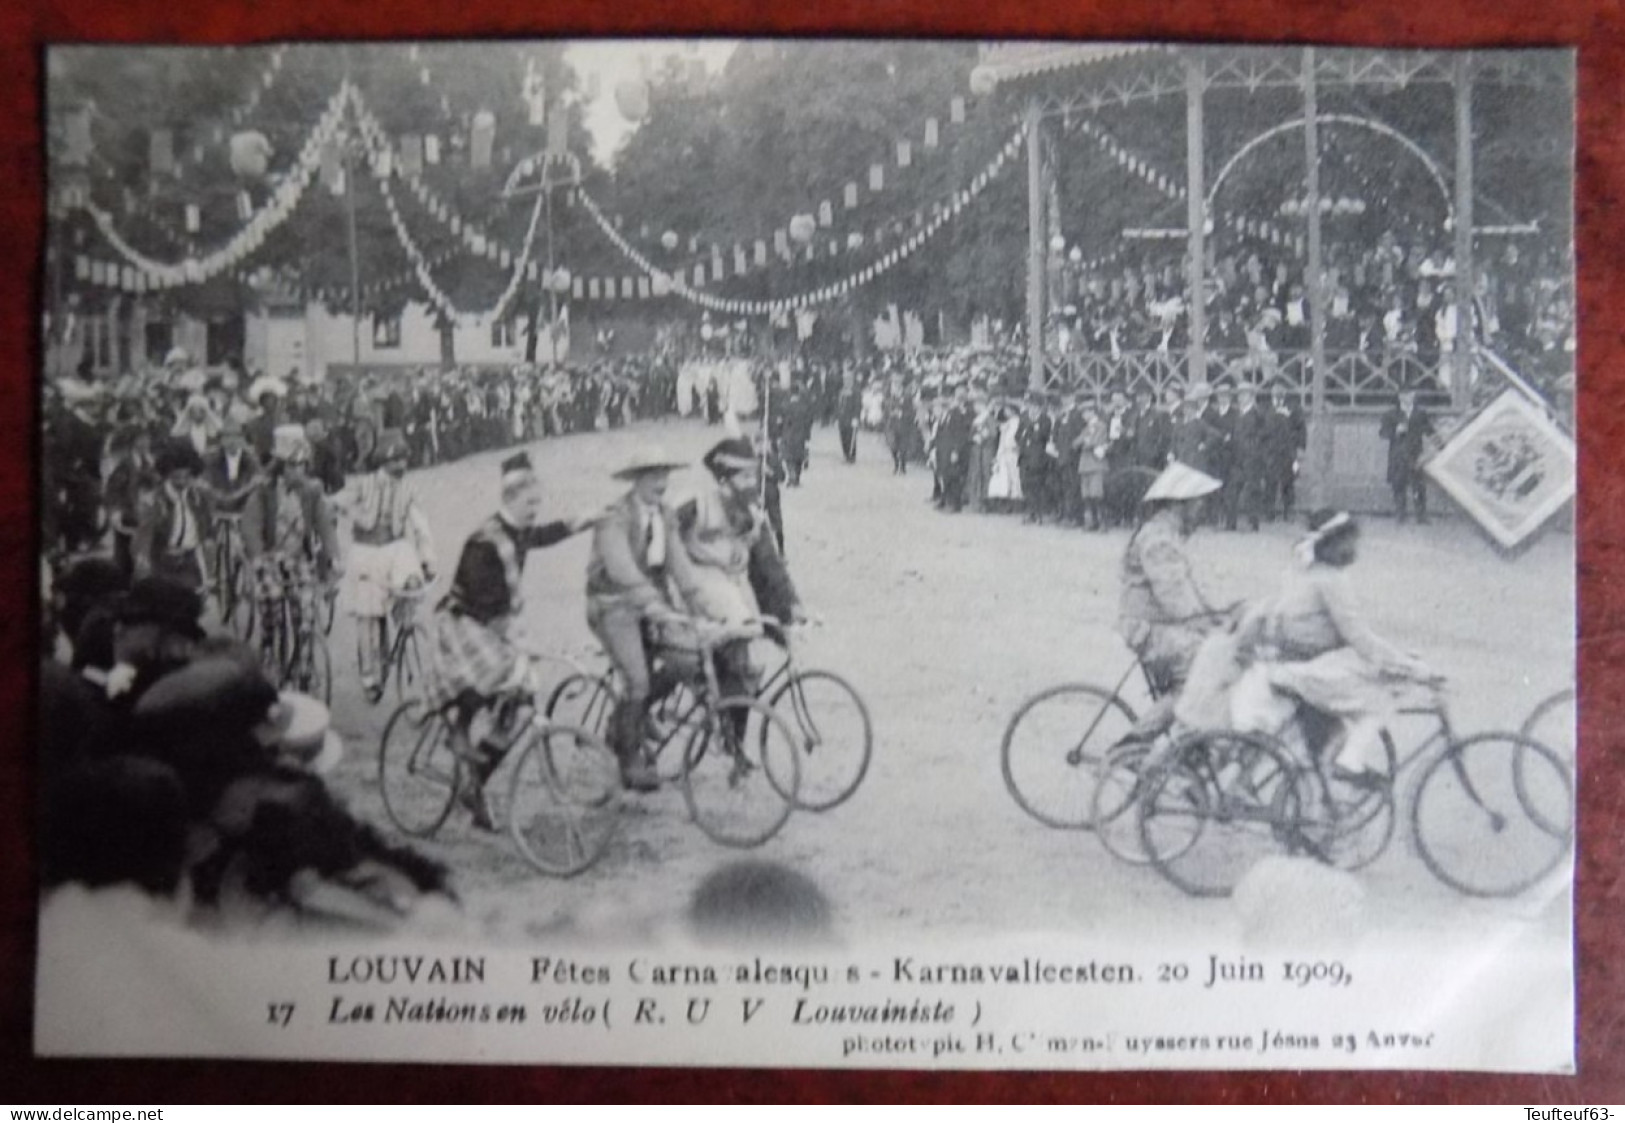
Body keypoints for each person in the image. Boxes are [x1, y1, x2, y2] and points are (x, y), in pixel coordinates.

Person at [427, 452, 600, 827]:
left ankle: (474, 785)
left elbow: (539, 536)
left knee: (520, 709)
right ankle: (457, 729)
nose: (535, 509)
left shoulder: (516, 530)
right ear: (510, 499)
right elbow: (486, 608)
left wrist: (578, 522)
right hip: (464, 625)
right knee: (501, 672)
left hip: (494, 624)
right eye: (530, 503)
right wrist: (522, 641)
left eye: (538, 502)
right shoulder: (484, 542)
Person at [1235, 510, 1437, 780]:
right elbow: (1356, 634)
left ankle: (1251, 781)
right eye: (1350, 541)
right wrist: (1406, 665)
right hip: (1310, 665)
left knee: (1323, 733)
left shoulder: (1303, 570)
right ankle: (1350, 763)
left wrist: (1397, 657)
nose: (1354, 548)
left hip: (1284, 659)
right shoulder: (1331, 579)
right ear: (1333, 543)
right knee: (1381, 701)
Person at [586, 448, 703, 792]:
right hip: (613, 604)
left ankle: (626, 720)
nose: (662, 482)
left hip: (653, 604)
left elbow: (680, 565)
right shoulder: (614, 517)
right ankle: (629, 757)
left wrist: (703, 605)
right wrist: (652, 602)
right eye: (653, 476)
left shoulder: (666, 515)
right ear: (635, 481)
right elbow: (620, 568)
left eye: (665, 475)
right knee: (637, 678)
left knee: (688, 659)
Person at [1116, 460, 1231, 737]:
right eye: (1198, 503)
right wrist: (1206, 625)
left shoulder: (1168, 533)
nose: (1203, 509)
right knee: (1202, 676)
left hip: (1160, 625)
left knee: (1219, 653)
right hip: (1150, 629)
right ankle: (1133, 744)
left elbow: (1187, 588)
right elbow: (1173, 597)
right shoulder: (1159, 538)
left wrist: (1218, 617)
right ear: (1181, 504)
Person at [343, 429, 436, 700]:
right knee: (367, 617)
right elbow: (339, 501)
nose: (401, 466)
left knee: (409, 565)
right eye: (395, 461)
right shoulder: (364, 484)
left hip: (393, 551)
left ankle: (405, 622)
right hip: (365, 552)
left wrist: (428, 560)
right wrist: (351, 512)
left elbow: (421, 526)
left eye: (404, 460)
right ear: (383, 461)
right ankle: (369, 675)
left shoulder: (408, 489)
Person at [240, 426, 341, 673]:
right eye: (291, 465)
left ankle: (304, 661)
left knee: (306, 610)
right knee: (272, 604)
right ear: (280, 466)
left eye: (302, 465)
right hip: (269, 558)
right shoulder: (263, 492)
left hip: (299, 559)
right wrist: (258, 557)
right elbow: (250, 525)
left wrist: (334, 557)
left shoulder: (312, 490)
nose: (298, 471)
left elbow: (325, 525)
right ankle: (267, 649)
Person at [132, 440, 210, 590]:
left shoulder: (198, 498)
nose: (181, 482)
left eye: (186, 477)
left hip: (190, 562)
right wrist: (143, 561)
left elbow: (206, 529)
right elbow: (144, 534)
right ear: (167, 475)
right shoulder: (153, 501)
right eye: (176, 477)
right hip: (162, 563)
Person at [1379, 387, 1435, 523]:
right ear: (1399, 397)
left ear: (1414, 395)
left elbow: (1429, 430)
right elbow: (1383, 433)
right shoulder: (1390, 414)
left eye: (1410, 394)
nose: (1407, 397)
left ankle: (1421, 516)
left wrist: (1439, 442)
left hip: (1416, 453)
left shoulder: (1420, 413)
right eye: (1404, 395)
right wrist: (1395, 431)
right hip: (1398, 454)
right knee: (1398, 485)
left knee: (1418, 485)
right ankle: (1400, 514)